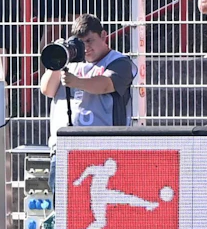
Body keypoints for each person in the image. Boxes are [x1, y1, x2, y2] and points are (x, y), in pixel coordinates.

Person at [37, 14, 135, 143]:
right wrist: (59, 56)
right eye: (81, 43)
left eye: (89, 41)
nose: (85, 48)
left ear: (103, 35)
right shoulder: (69, 60)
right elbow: (47, 90)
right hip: (63, 145)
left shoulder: (119, 61)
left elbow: (105, 85)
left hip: (102, 145)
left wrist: (77, 82)